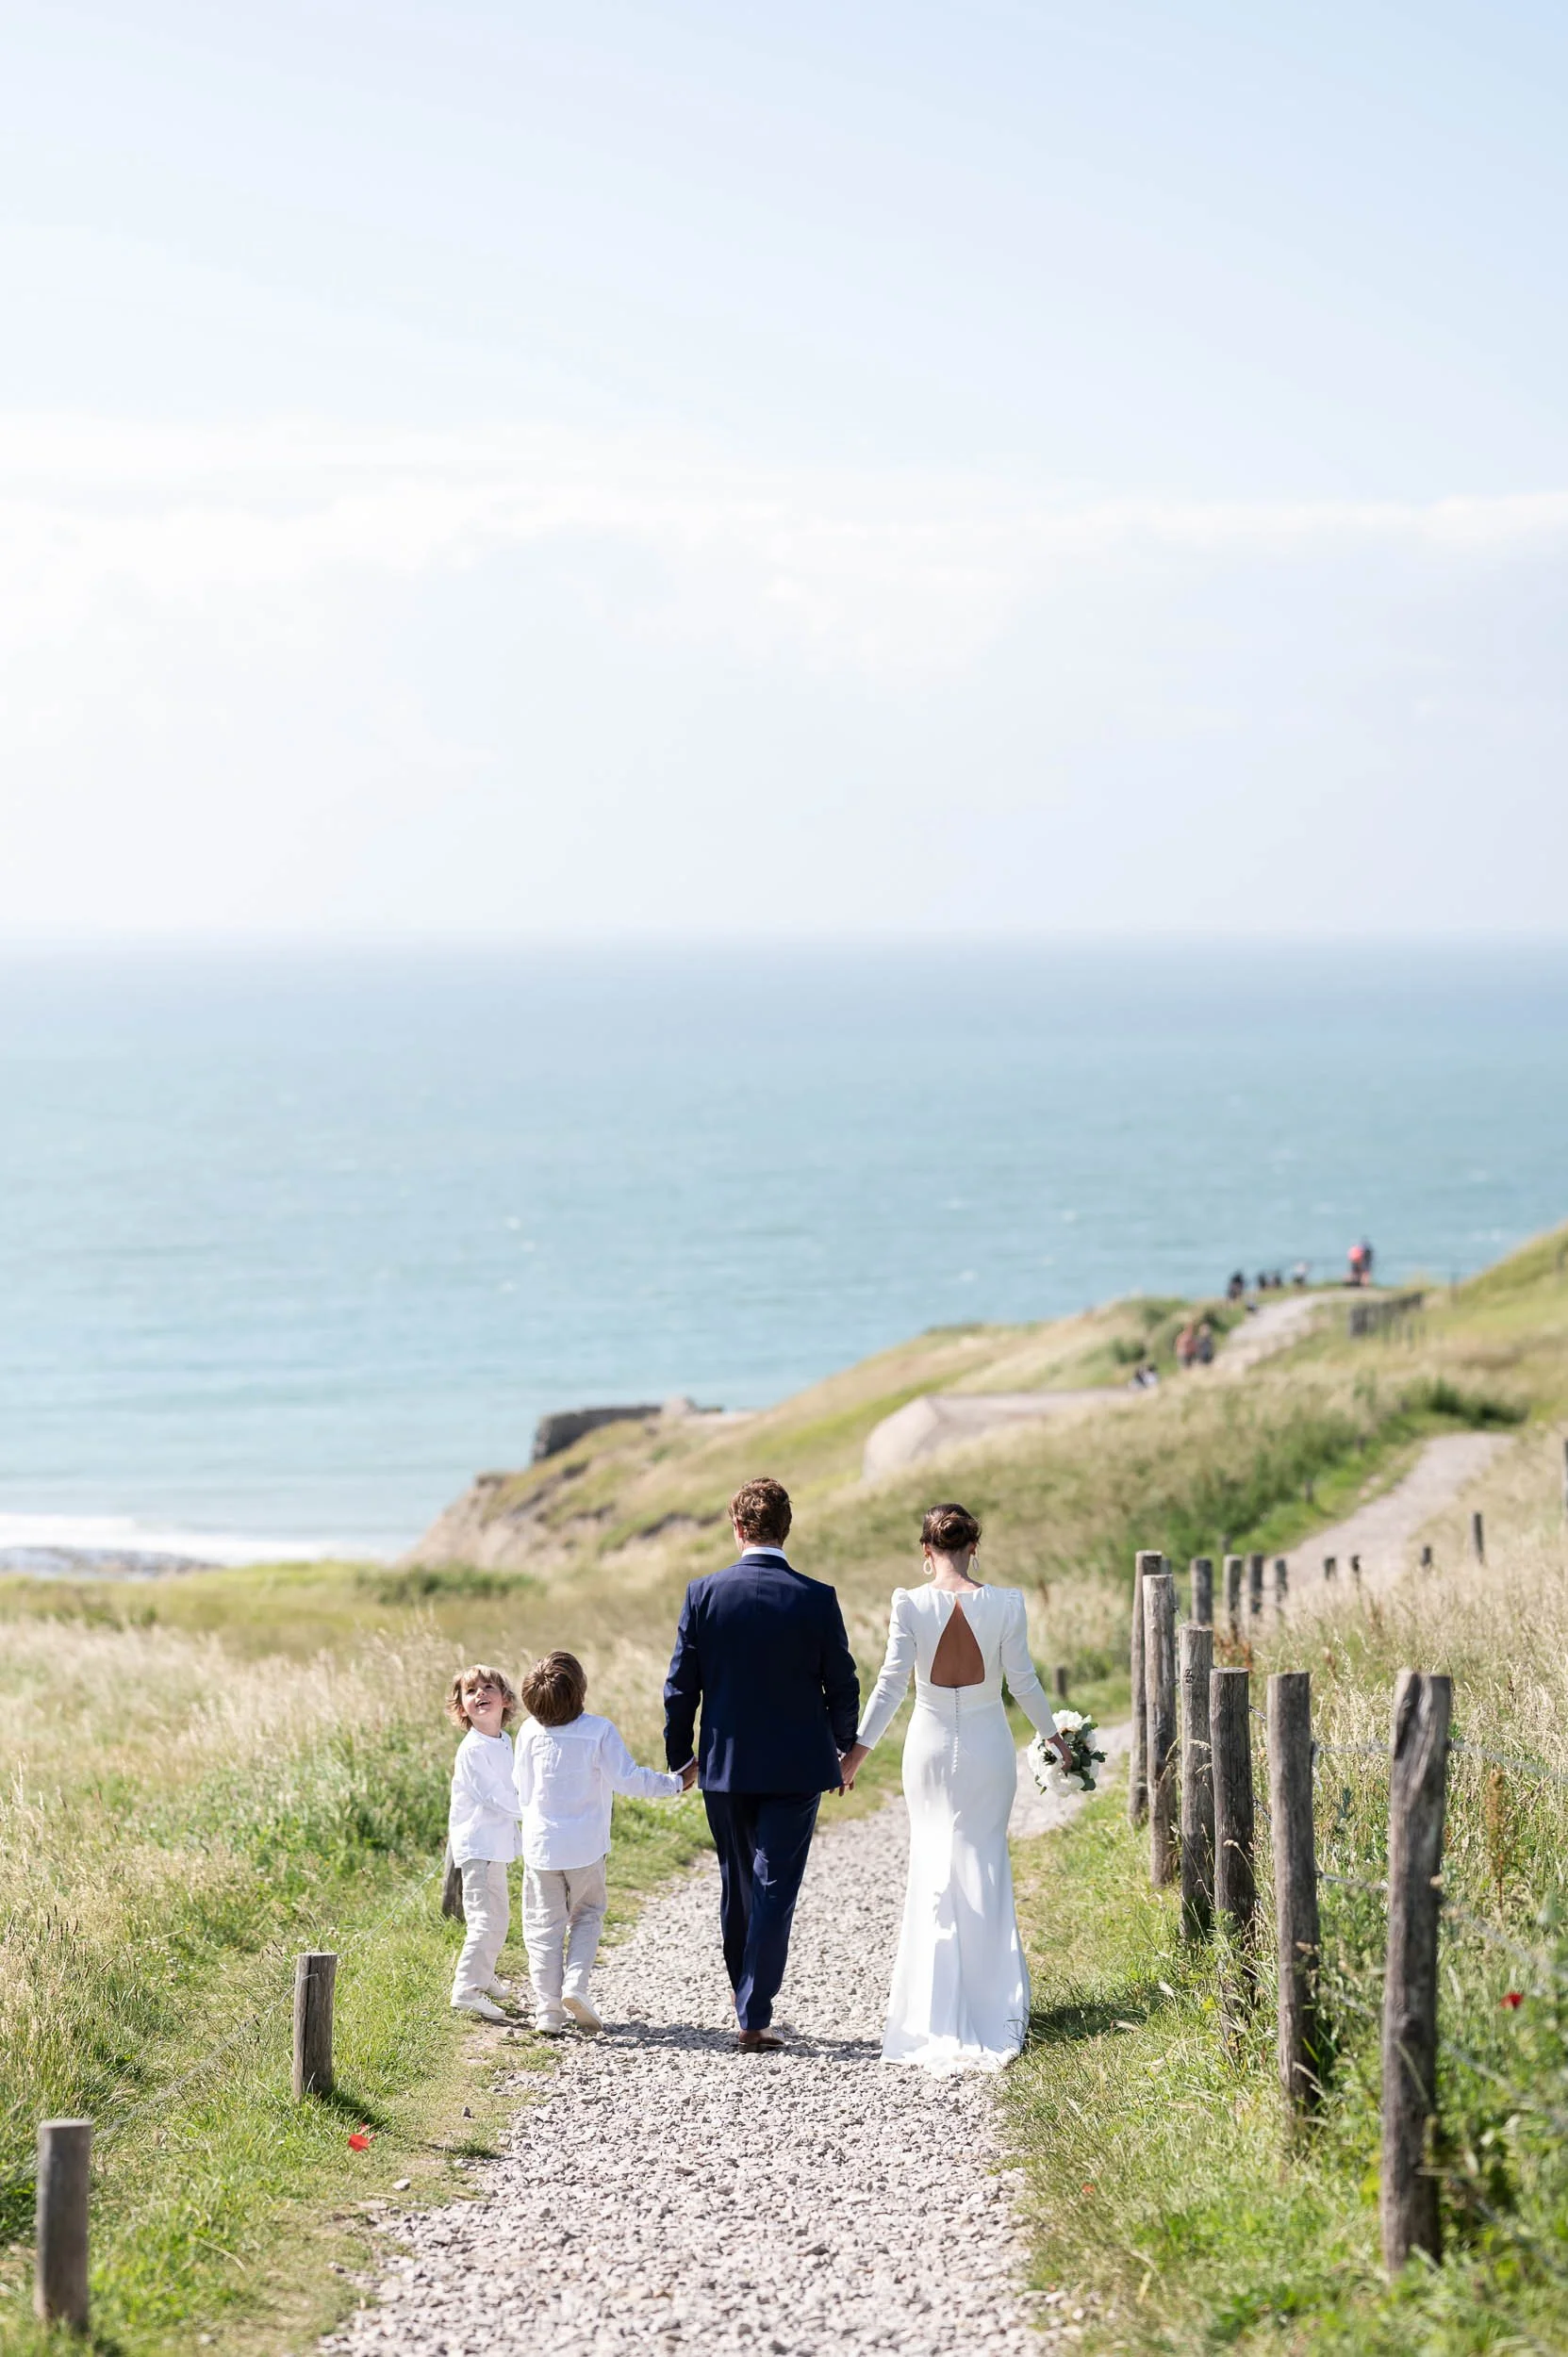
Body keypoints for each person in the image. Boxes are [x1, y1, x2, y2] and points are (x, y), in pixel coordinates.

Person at [838, 1504, 1069, 2073]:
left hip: (931, 1748)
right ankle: (995, 2006)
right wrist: (1055, 1739)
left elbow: (891, 1685)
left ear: (926, 1550)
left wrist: (856, 1756)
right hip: (991, 1746)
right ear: (975, 1546)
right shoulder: (1007, 1604)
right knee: (984, 1861)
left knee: (934, 1862)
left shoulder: (909, 1603)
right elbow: (1024, 1682)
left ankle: (934, 2007)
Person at [663, 1476, 859, 2052]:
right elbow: (842, 1683)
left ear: (739, 1528)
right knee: (775, 1886)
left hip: (723, 1767)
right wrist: (843, 1749)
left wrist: (683, 1759)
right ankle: (754, 2010)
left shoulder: (703, 1593)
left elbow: (679, 1689)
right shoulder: (816, 1597)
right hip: (798, 1766)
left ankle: (747, 1999)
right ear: (785, 1529)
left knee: (738, 1883)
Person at [514, 1649, 686, 2035]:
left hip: (541, 1847)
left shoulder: (528, 1732)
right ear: (580, 1692)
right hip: (586, 1848)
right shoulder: (598, 1730)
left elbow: (521, 1789)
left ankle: (548, 2012)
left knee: (543, 1927)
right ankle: (575, 1985)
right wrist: (674, 1783)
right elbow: (628, 1780)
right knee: (588, 1915)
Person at [446, 1663, 525, 2023]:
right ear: (461, 1708)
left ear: (506, 1700)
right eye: (472, 1691)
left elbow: (513, 1785)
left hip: (497, 1846)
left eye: (489, 1688)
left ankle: (484, 1971)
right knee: (484, 1920)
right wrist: (534, 1812)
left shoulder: (504, 1741)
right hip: (478, 1846)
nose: (481, 1695)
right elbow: (495, 1796)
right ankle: (467, 1990)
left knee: (500, 1918)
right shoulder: (474, 1749)